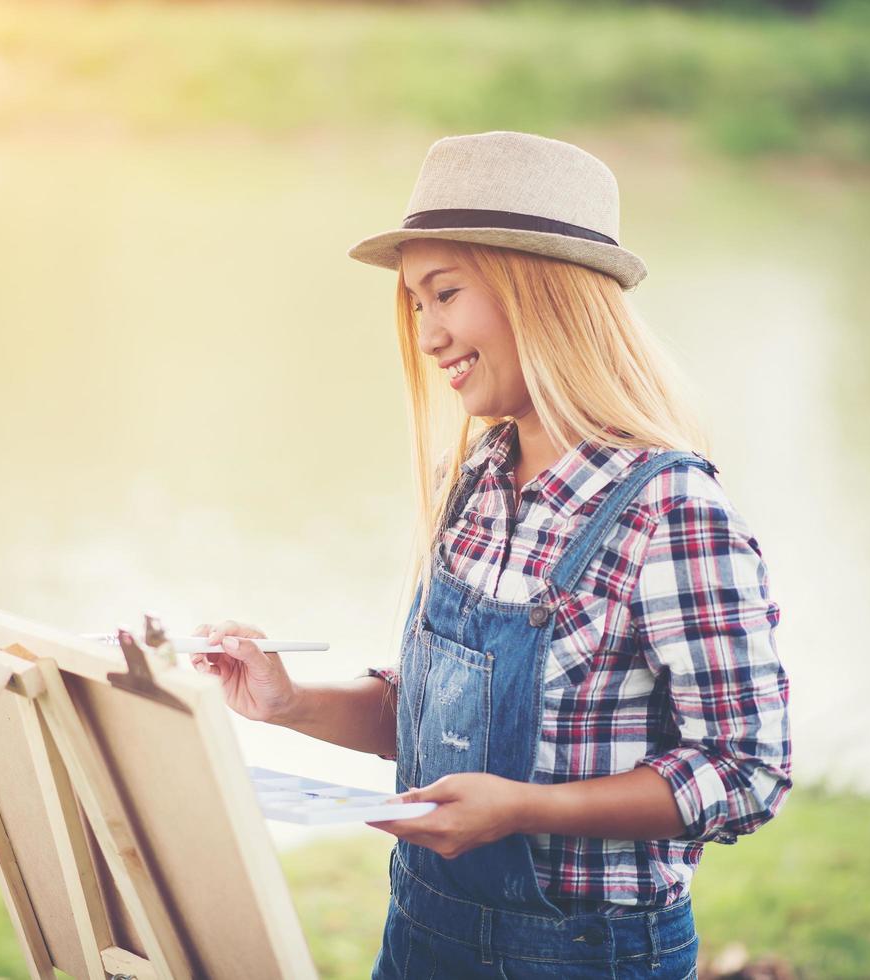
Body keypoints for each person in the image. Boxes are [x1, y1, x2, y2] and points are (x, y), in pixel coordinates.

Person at [189, 131, 792, 979]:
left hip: (586, 957)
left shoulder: (670, 510)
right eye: (415, 304)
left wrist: (522, 811)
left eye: (445, 294)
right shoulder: (469, 480)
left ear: (540, 294)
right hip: (422, 932)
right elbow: (440, 724)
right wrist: (287, 701)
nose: (428, 335)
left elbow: (744, 772)